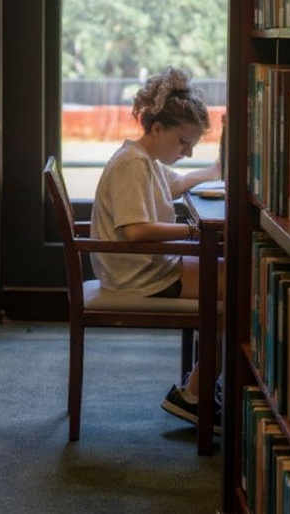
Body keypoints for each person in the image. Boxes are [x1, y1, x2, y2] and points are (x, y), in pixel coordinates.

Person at [89, 67, 224, 432]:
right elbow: (134, 230)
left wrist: (212, 171)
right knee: (242, 287)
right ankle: (195, 395)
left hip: (145, 266)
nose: (188, 151)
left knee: (232, 279)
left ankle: (201, 386)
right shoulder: (133, 165)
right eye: (184, 142)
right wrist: (193, 231)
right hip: (139, 274)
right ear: (157, 128)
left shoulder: (143, 157)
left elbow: (177, 184)